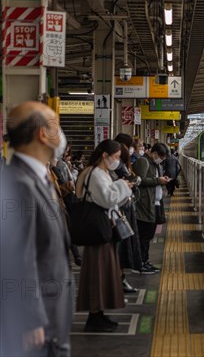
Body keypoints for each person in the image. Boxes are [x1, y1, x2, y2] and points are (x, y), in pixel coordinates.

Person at [1, 101, 73, 356]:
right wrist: (29, 318)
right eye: (57, 125)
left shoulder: (38, 178)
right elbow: (17, 256)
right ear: (43, 134)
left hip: (51, 315)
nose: (61, 134)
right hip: (37, 324)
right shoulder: (18, 184)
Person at [75, 139, 133, 332]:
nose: (117, 161)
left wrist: (122, 187)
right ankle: (94, 316)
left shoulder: (102, 173)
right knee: (97, 274)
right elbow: (108, 200)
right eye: (115, 157)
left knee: (103, 273)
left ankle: (98, 314)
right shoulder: (97, 175)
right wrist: (123, 185)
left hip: (102, 230)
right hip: (97, 232)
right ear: (104, 155)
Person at [113, 133, 143, 292]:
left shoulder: (118, 163)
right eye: (131, 146)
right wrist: (134, 181)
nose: (132, 150)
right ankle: (117, 280)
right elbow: (128, 180)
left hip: (122, 210)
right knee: (120, 248)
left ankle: (120, 279)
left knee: (122, 248)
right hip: (118, 212)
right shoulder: (116, 165)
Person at [132, 143, 170, 274]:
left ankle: (145, 261)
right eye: (161, 157)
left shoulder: (154, 164)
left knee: (148, 235)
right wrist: (157, 181)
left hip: (152, 204)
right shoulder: (143, 161)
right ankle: (140, 263)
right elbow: (139, 181)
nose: (162, 160)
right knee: (144, 235)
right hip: (144, 204)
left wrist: (160, 180)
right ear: (154, 153)